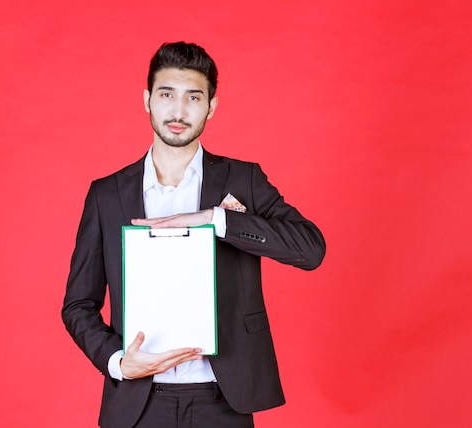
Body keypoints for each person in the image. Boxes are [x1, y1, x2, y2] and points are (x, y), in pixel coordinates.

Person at [62, 41, 326, 428]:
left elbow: (311, 249)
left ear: (211, 107)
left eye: (194, 97)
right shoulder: (106, 194)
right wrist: (117, 362)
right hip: (138, 403)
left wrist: (219, 220)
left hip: (223, 401)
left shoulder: (243, 181)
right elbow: (78, 305)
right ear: (147, 100)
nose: (179, 111)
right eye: (167, 94)